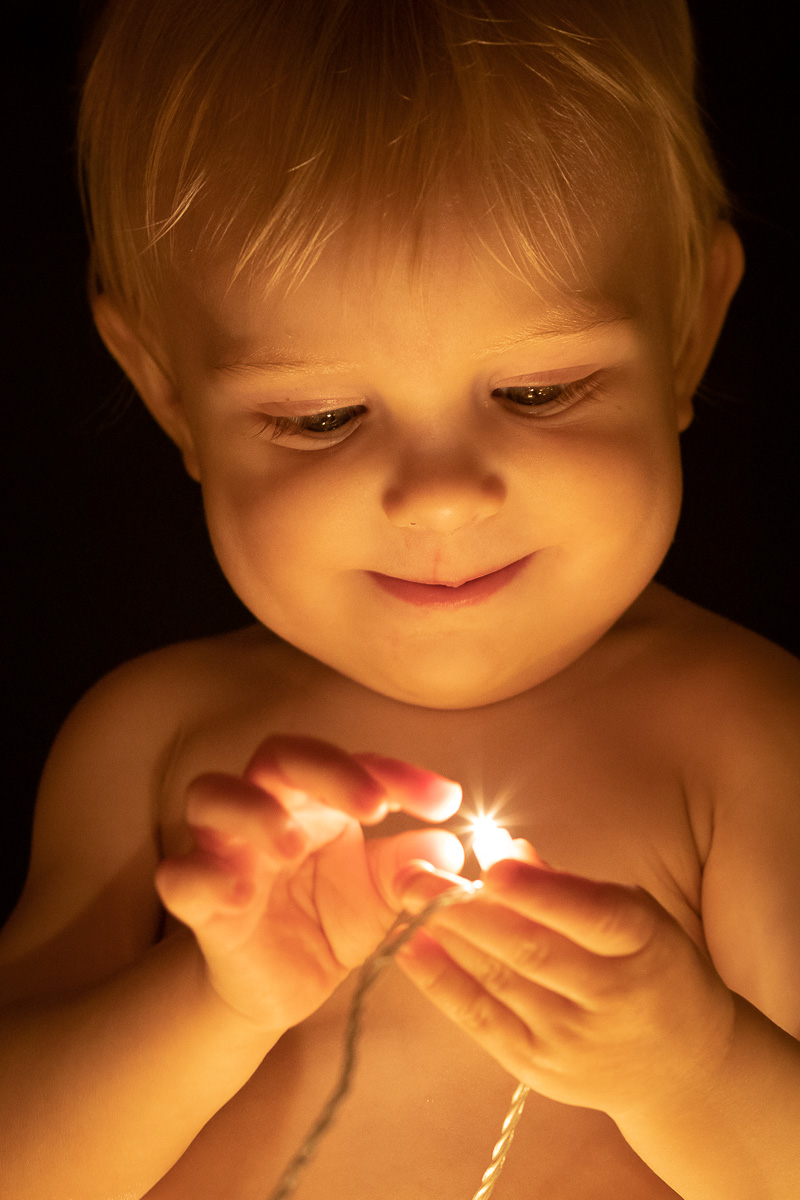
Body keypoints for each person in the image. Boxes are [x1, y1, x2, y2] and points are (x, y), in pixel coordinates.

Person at [1, 1, 798, 1197]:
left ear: (685, 328)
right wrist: (211, 1002)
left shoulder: (737, 735)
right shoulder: (150, 740)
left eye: (537, 391)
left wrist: (685, 1070)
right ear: (169, 396)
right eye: (321, 418)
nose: (436, 498)